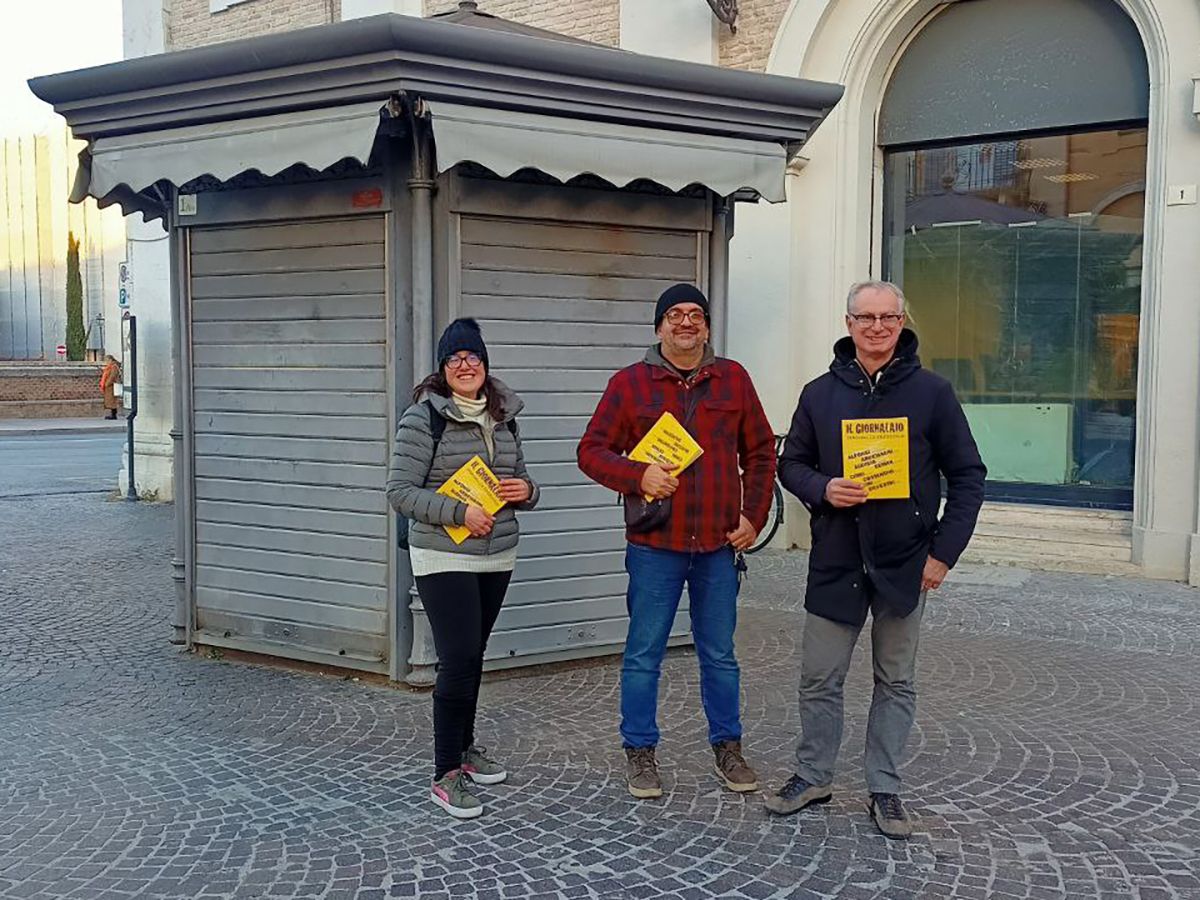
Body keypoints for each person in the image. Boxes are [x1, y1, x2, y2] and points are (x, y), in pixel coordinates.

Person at [764, 280, 986, 838]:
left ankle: (884, 788)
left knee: (896, 681)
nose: (878, 327)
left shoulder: (932, 392)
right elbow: (790, 464)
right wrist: (822, 487)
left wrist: (944, 553)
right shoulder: (819, 393)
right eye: (867, 318)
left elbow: (967, 477)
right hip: (837, 559)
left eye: (889, 318)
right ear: (848, 324)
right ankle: (813, 776)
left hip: (904, 562)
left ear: (902, 321)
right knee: (819, 677)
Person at [577, 283, 776, 800]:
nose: (686, 323)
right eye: (675, 315)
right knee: (644, 653)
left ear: (707, 326)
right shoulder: (629, 384)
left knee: (720, 655)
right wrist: (637, 474)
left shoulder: (733, 380)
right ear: (659, 326)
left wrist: (753, 517)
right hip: (654, 546)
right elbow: (591, 451)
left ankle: (728, 748)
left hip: (716, 545)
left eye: (696, 315)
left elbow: (760, 455)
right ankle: (639, 752)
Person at [385, 318, 539, 820]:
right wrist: (458, 513)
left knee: (474, 654)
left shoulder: (505, 417)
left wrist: (528, 492)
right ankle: (445, 772)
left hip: (496, 552)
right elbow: (400, 493)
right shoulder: (422, 419)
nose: (465, 365)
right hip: (444, 552)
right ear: (442, 368)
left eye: (472, 357)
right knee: (456, 659)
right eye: (455, 359)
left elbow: (519, 480)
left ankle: (467, 750)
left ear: (485, 363)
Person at [100, 355, 121, 420]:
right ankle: (112, 414)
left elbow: (112, 376)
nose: (106, 362)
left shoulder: (114, 367)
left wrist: (107, 383)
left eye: (107, 360)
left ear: (111, 360)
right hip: (109, 387)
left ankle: (114, 415)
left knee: (112, 401)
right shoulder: (110, 367)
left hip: (111, 386)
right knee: (110, 401)